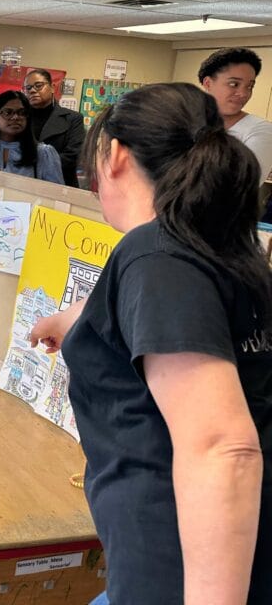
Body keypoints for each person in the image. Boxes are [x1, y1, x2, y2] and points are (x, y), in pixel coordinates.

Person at [30, 83, 272, 605]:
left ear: (115, 154)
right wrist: (77, 319)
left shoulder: (156, 255)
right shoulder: (223, 247)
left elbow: (223, 447)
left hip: (181, 568)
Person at [198, 47, 272, 185]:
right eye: (234, 84)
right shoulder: (184, 121)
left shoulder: (260, 130)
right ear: (208, 83)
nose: (243, 94)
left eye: (249, 87)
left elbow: (239, 186)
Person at [0, 90, 64, 184]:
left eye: (22, 113)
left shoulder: (43, 153)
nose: (15, 117)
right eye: (8, 112)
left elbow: (55, 196)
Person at [23, 68, 85, 187]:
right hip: (25, 183)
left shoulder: (73, 118)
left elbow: (73, 156)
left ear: (52, 87)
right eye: (28, 88)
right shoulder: (20, 118)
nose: (32, 91)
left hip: (60, 185)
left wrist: (35, 163)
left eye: (38, 86)